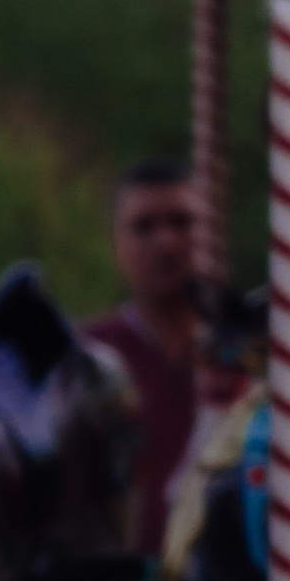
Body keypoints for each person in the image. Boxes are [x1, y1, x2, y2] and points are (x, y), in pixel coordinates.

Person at [83, 158, 210, 559]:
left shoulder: (243, 354)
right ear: (116, 243)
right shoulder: (87, 358)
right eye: (144, 227)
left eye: (181, 222)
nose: (166, 242)